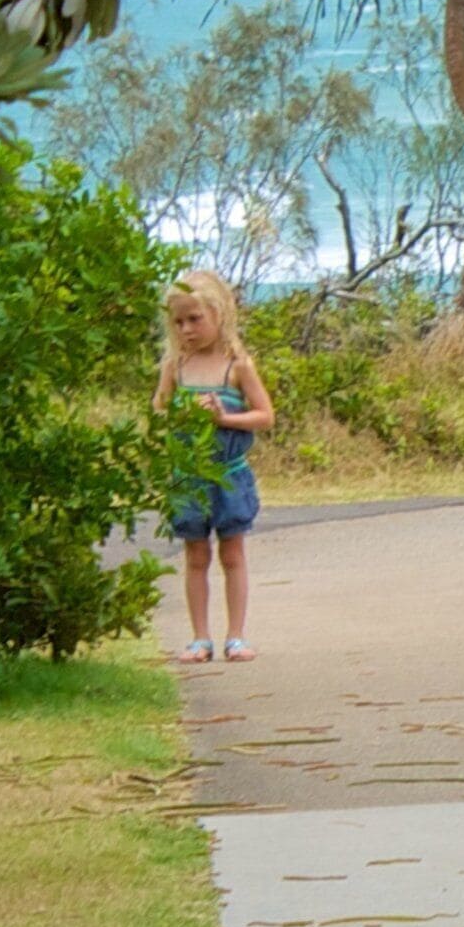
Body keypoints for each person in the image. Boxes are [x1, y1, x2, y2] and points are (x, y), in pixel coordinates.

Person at [155, 268, 276, 663]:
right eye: (179, 322)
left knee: (232, 553)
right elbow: (159, 409)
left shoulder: (237, 365)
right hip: (188, 477)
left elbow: (264, 416)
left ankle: (236, 636)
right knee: (195, 556)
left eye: (195, 319)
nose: (187, 329)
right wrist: (180, 413)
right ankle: (199, 638)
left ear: (218, 314)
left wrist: (225, 418)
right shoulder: (175, 366)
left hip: (229, 474)